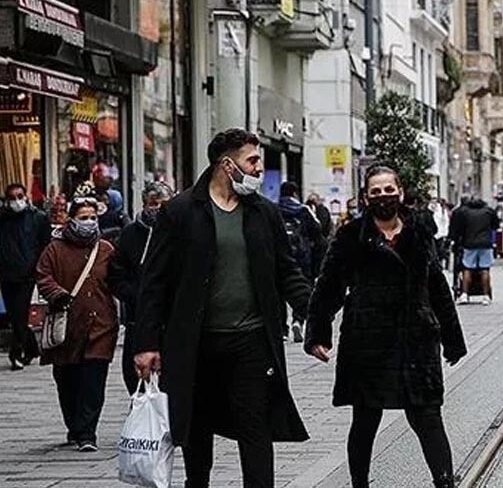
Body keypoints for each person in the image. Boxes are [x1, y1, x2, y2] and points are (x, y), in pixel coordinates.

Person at [133, 128, 311, 488]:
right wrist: (147, 342)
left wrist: (315, 313)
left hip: (251, 342)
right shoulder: (181, 211)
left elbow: (286, 270)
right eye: (253, 160)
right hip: (196, 344)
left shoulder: (264, 213)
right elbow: (154, 281)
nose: (259, 168)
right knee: (197, 434)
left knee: (255, 428)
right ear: (228, 165)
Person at [305, 165, 466, 488]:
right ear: (366, 197)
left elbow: (436, 286)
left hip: (415, 340)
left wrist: (452, 339)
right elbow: (329, 287)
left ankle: (445, 482)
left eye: (389, 190)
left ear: (401, 192)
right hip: (368, 340)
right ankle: (359, 483)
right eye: (375, 192)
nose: (383, 197)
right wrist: (318, 334)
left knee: (428, 417)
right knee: (365, 419)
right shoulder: (351, 236)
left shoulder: (419, 231)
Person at [36, 186, 118, 452]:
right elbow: (42, 276)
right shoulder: (54, 249)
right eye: (83, 217)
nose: (89, 222)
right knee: (68, 381)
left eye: (92, 217)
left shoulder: (105, 249)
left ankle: (87, 433)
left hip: (100, 327)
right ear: (72, 219)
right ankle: (74, 425)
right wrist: (57, 294)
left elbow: (119, 280)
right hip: (67, 328)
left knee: (93, 382)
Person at [110, 182, 173, 394]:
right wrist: (137, 295)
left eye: (163, 204)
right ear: (145, 204)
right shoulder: (129, 234)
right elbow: (116, 275)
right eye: (154, 204)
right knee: (136, 377)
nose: (158, 209)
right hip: (138, 318)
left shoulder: (180, 231)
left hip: (172, 319)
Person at [0, 182, 51, 369]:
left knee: (20, 314)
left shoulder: (38, 218)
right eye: (12, 198)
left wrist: (40, 269)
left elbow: (45, 245)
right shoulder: (3, 219)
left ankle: (17, 353)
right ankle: (31, 348)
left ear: (26, 196)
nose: (16, 201)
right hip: (6, 274)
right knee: (14, 316)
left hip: (27, 275)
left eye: (19, 196)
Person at [279, 181, 328, 343]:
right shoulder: (303, 209)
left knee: (279, 291)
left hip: (280, 256)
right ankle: (297, 320)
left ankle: (282, 329)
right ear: (295, 193)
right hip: (302, 255)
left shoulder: (272, 208)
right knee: (301, 286)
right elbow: (318, 230)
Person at [449, 195, 498, 303]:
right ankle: (486, 296)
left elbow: (460, 229)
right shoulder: (488, 211)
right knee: (484, 269)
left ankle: (465, 294)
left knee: (467, 268)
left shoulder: (466, 213)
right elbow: (495, 225)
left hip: (469, 244)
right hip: (485, 244)